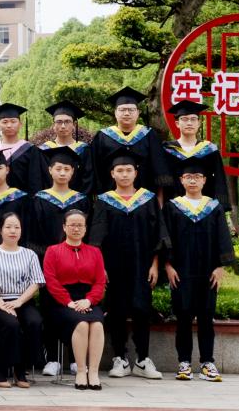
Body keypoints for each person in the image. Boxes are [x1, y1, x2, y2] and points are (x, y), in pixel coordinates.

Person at [90, 148, 166, 379]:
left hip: (142, 264)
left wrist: (155, 265)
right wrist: (101, 268)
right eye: (120, 170)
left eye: (128, 170)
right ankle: (120, 358)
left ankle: (143, 359)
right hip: (113, 266)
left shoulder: (148, 199)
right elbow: (96, 237)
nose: (124, 174)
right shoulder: (104, 201)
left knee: (142, 309)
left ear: (136, 173)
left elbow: (158, 234)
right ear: (112, 174)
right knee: (116, 310)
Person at [163, 156, 234, 382]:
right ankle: (184, 362)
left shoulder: (213, 207)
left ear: (204, 180)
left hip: (207, 272)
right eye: (188, 177)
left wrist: (220, 267)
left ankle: (207, 362)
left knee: (206, 317)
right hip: (181, 271)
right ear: (181, 180)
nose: (192, 180)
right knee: (183, 317)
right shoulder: (172, 207)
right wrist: (168, 266)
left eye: (197, 177)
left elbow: (222, 238)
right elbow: (166, 238)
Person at [31, 146, 90, 377]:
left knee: (77, 307)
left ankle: (76, 358)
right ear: (50, 170)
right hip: (49, 263)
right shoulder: (39, 199)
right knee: (49, 309)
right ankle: (53, 359)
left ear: (73, 172)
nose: (63, 172)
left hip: (77, 263)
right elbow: (35, 234)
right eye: (58, 168)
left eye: (67, 169)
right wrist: (42, 261)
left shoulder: (81, 200)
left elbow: (87, 234)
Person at [0, 212, 45, 388]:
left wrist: (19, 301)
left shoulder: (29, 254)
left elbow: (36, 282)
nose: (13, 231)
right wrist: (1, 304)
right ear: (0, 230)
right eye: (8, 227)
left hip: (23, 300)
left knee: (34, 322)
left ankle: (20, 369)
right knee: (11, 324)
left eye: (16, 227)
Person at [42, 210, 106, 390]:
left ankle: (93, 372)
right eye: (72, 225)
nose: (76, 229)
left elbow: (100, 282)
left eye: (80, 225)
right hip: (62, 301)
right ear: (64, 227)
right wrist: (68, 302)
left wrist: (89, 300)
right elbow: (51, 280)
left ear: (85, 229)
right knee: (82, 324)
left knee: (97, 324)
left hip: (88, 299)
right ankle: (80, 371)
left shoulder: (95, 252)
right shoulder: (53, 251)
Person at [90, 86, 172, 200]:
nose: (127, 113)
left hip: (145, 200)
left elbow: (159, 167)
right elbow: (95, 168)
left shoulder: (149, 135)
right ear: (115, 112)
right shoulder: (103, 137)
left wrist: (159, 202)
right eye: (122, 110)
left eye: (131, 110)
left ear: (138, 113)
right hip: (111, 200)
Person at [162, 100, 229, 209]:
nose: (189, 123)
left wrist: (219, 207)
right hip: (173, 207)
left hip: (204, 208)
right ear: (177, 123)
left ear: (198, 123)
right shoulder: (166, 150)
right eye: (185, 119)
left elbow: (219, 179)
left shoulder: (209, 150)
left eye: (193, 119)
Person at [0, 103, 45, 197]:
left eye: (13, 121)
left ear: (20, 124)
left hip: (24, 201)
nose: (9, 125)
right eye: (5, 122)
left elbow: (35, 181)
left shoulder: (31, 150)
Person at [38, 101, 94, 195]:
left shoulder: (84, 149)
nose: (63, 126)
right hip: (49, 199)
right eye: (59, 122)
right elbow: (40, 178)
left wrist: (80, 199)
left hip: (78, 199)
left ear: (74, 125)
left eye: (67, 122)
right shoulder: (44, 150)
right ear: (53, 125)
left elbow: (88, 179)